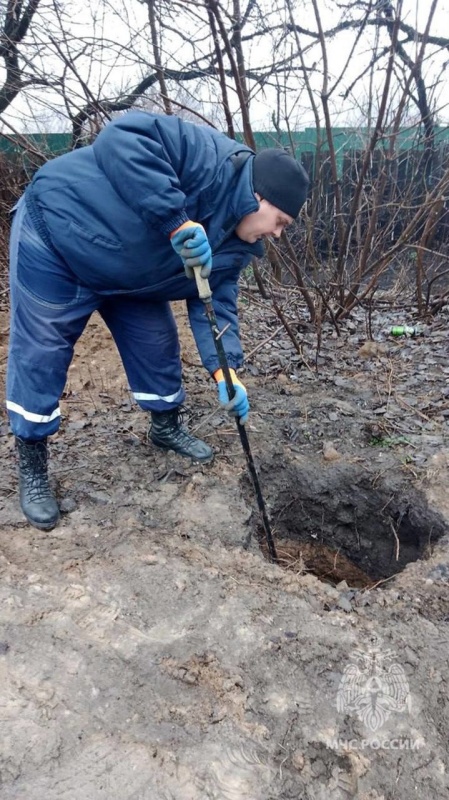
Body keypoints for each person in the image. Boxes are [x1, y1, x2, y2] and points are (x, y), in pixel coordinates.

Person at [6, 111, 309, 531]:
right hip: (59, 236)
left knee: (157, 344)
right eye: (280, 222)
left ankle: (165, 427)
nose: (277, 235)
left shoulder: (239, 247)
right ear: (260, 198)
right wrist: (176, 220)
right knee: (42, 351)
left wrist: (227, 373)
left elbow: (216, 305)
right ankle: (33, 459)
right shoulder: (207, 158)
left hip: (130, 273)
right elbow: (120, 138)